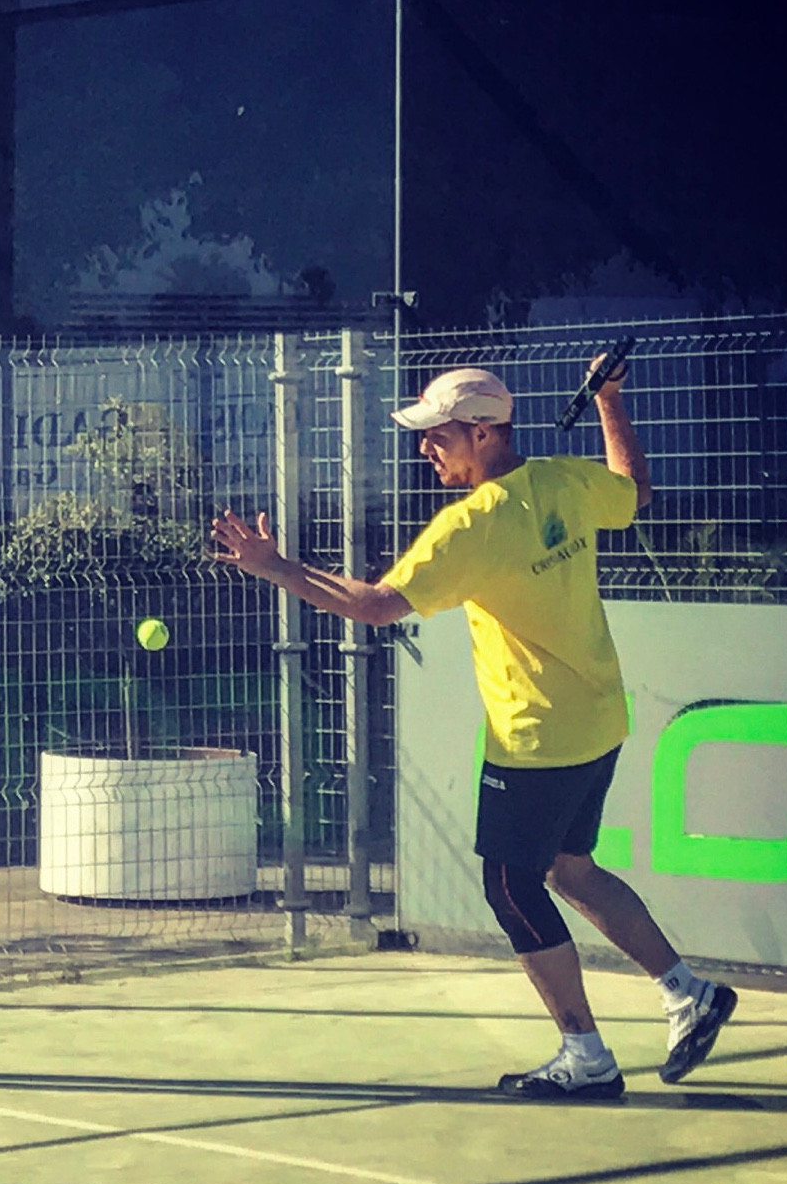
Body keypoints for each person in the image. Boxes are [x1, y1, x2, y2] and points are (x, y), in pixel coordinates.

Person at [211, 357, 737, 1100]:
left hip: (535, 739)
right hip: (596, 721)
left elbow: (374, 606)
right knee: (570, 869)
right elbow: (636, 490)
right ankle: (689, 992)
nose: (426, 448)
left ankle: (586, 1055)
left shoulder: (471, 525)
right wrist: (611, 403)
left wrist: (275, 568)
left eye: (440, 434)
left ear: (484, 433)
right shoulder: (563, 480)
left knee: (511, 887)